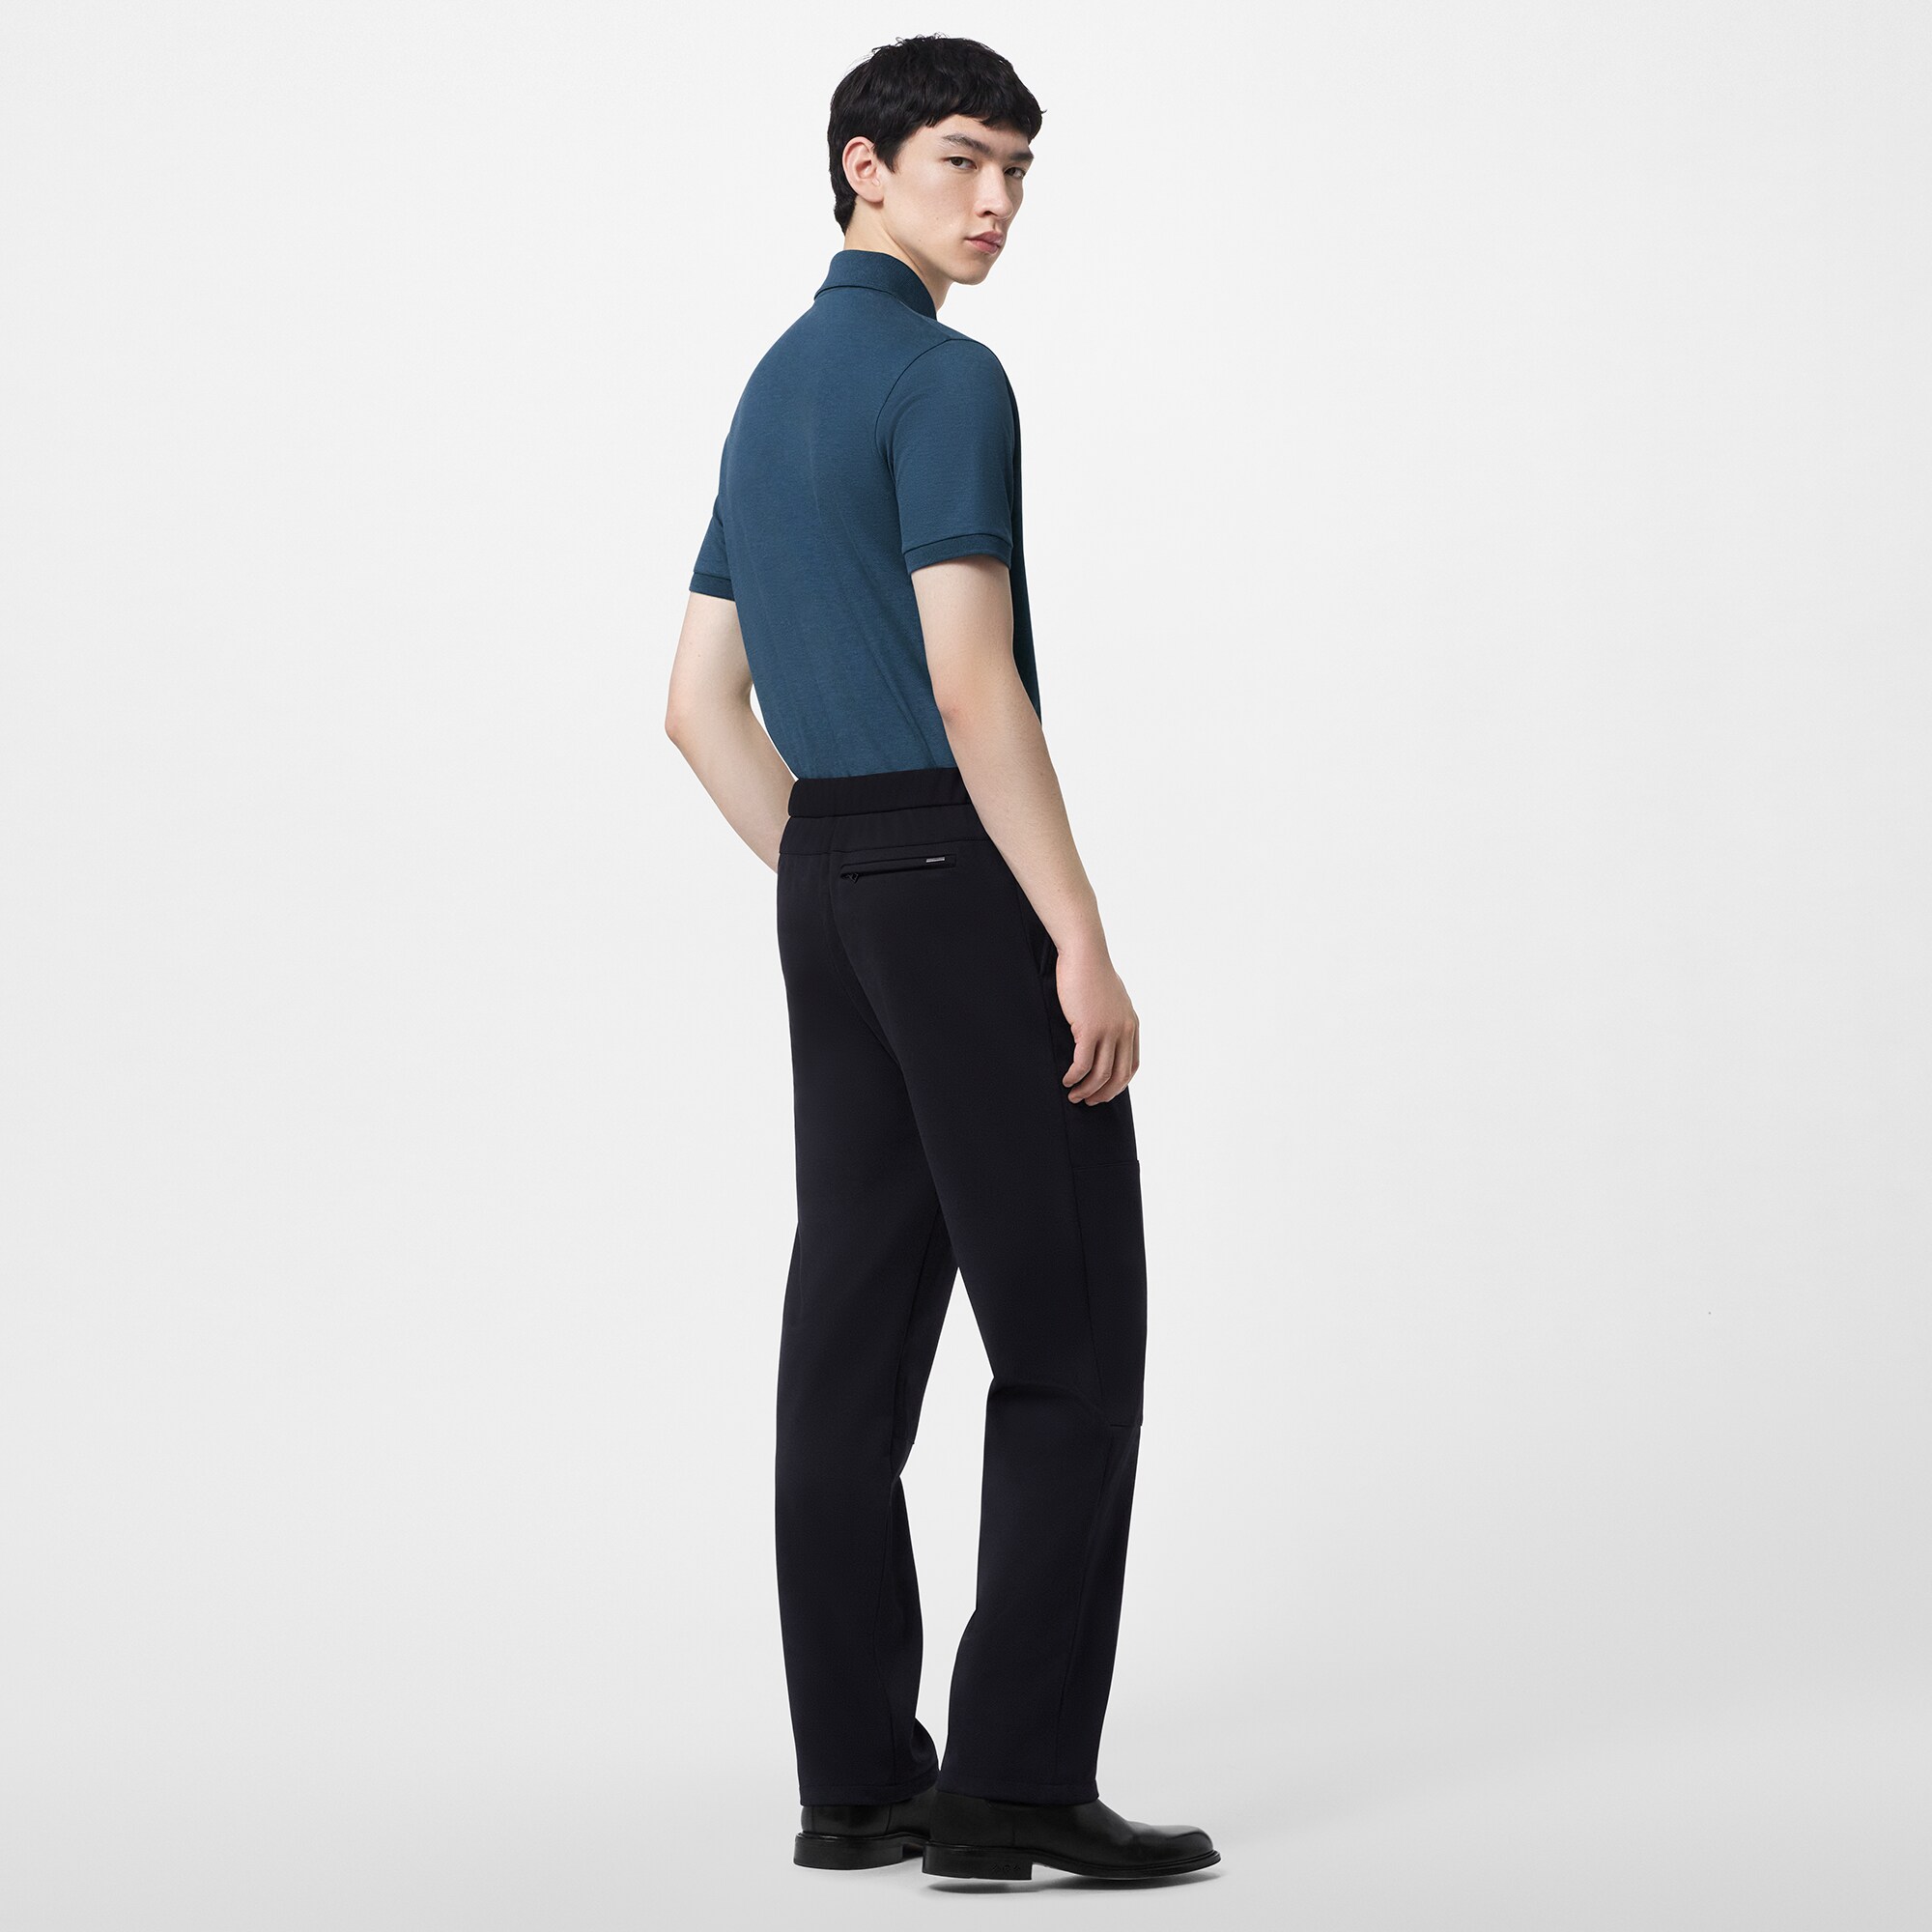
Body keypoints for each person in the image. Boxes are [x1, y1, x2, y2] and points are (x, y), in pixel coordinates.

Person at [665, 35, 1218, 1886]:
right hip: (951, 870)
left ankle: (859, 1786)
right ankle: (1012, 1787)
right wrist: (1073, 936)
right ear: (865, 163)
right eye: (965, 161)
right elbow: (973, 687)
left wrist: (841, 879)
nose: (995, 204)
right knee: (1069, 1337)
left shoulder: (770, 388)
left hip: (830, 874)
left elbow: (696, 706)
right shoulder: (942, 376)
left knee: (851, 1337)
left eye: (1020, 173)